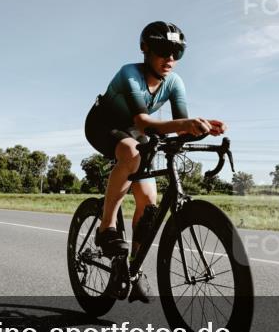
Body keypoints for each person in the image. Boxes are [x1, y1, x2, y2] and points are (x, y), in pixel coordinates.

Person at [84, 22, 225, 302]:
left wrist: (204, 127)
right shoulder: (130, 74)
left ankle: (130, 270)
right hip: (104, 126)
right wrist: (185, 123)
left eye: (177, 53)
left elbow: (178, 129)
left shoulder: (174, 83)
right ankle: (106, 227)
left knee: (149, 201)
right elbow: (144, 122)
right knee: (131, 151)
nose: (169, 59)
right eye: (163, 51)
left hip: (138, 136)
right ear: (145, 49)